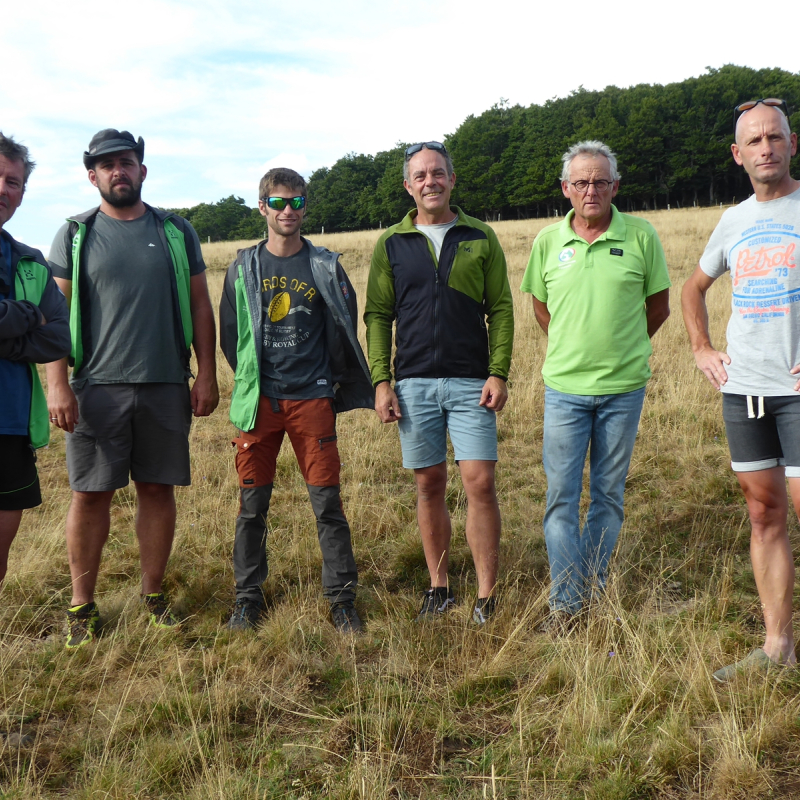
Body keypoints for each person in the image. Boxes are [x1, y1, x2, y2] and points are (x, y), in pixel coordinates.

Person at [46, 129, 219, 649]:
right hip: (96, 386)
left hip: (166, 383)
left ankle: (153, 594)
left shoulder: (175, 230)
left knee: (156, 490)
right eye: (107, 165)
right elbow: (54, 316)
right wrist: (58, 384)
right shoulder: (75, 234)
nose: (118, 171)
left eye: (126, 162)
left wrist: (207, 372)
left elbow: (199, 305)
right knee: (90, 494)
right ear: (92, 175)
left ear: (142, 170)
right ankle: (82, 606)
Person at [521, 140, 671, 632]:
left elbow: (659, 307)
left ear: (615, 186)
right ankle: (567, 605)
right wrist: (575, 349)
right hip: (564, 389)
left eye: (600, 181)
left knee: (607, 495)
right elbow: (543, 310)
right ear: (566, 189)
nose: (591, 190)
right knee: (561, 497)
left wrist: (622, 351)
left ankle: (595, 588)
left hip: (624, 390)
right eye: (581, 182)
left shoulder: (642, 236)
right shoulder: (547, 241)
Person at [364, 141, 514, 624]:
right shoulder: (391, 243)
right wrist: (382, 381)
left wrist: (498, 371)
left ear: (452, 179)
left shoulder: (480, 236)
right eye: (420, 175)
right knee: (429, 483)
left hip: (472, 380)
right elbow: (379, 315)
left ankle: (487, 594)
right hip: (413, 385)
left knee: (480, 482)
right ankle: (439, 585)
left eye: (438, 173)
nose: (430, 182)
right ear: (408, 186)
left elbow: (502, 309)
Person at [219, 168, 373, 633]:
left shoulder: (324, 264)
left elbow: (347, 323)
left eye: (298, 203)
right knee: (252, 506)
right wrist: (252, 381)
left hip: (312, 400)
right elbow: (231, 337)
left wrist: (331, 381)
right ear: (262, 207)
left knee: (327, 503)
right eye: (280, 202)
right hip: (259, 403)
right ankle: (247, 599)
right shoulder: (242, 268)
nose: (289, 211)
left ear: (306, 207)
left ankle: (342, 600)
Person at [682, 98, 800, 681]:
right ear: (738, 154)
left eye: (774, 137)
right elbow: (693, 288)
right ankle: (778, 646)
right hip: (746, 391)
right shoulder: (733, 220)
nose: (765, 148)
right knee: (763, 512)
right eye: (753, 141)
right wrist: (702, 349)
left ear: (792, 143)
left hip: (799, 392)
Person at [0, 133, 70, 582]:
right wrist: (28, 315)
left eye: (13, 181)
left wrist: (8, 335)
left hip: (10, 425)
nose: (3, 189)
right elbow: (41, 326)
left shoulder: (30, 261)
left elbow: (58, 340)